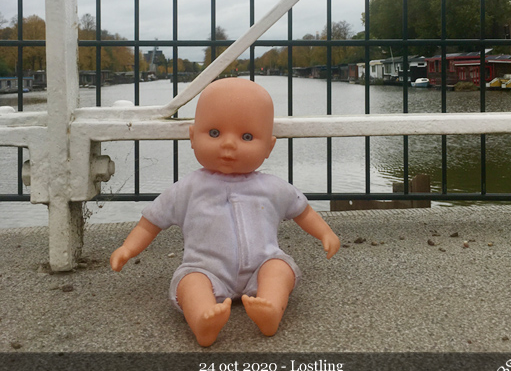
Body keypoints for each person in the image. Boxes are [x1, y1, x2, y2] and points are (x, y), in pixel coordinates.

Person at [110, 78, 340, 347]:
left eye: (246, 137)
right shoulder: (187, 189)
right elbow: (150, 223)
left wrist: (325, 233)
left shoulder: (273, 188)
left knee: (280, 269)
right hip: (206, 270)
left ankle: (270, 309)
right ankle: (202, 320)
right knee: (190, 283)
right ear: (192, 137)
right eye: (215, 133)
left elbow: (304, 212)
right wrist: (127, 248)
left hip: (262, 264)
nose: (229, 144)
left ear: (269, 147)